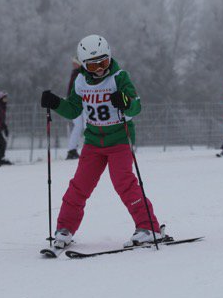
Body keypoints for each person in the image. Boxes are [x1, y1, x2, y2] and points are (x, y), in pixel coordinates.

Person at [40, 34, 165, 249]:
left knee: (123, 182)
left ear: (110, 58)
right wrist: (56, 103)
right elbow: (73, 110)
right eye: (93, 65)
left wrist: (124, 101)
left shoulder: (119, 77)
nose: (99, 69)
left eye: (103, 62)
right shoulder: (80, 81)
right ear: (84, 65)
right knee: (80, 185)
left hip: (119, 139)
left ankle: (148, 227)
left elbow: (136, 106)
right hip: (94, 142)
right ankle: (65, 229)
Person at [66, 57, 85, 160]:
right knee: (80, 125)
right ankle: (72, 149)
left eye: (75, 63)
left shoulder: (77, 73)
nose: (73, 65)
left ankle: (72, 149)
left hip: (79, 102)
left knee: (80, 126)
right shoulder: (78, 73)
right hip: (77, 103)